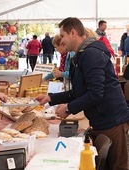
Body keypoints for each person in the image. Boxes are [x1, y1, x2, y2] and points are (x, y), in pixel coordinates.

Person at [35, 17, 129, 170]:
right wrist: (51, 97)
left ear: (73, 33)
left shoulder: (90, 54)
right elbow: (80, 91)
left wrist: (68, 109)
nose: (61, 40)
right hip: (101, 120)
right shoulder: (80, 55)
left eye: (63, 35)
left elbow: (95, 93)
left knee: (117, 166)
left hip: (112, 121)